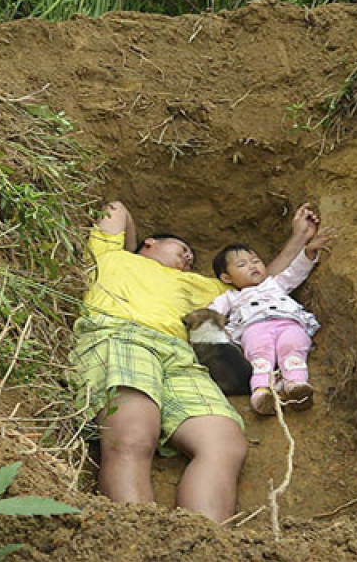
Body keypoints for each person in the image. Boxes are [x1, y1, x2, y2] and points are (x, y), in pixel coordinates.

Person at [72, 200, 318, 521]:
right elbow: (116, 209)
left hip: (181, 354)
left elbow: (259, 283)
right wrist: (132, 247)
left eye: (192, 255)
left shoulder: (201, 285)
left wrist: (299, 237)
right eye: (182, 248)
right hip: (121, 334)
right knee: (133, 434)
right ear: (150, 243)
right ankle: (134, 542)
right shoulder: (110, 256)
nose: (189, 257)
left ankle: (201, 547)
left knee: (224, 443)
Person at [208, 225, 335, 415]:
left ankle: (296, 385)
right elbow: (211, 314)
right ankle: (261, 392)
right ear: (226, 277)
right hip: (254, 328)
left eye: (256, 261)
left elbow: (296, 272)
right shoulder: (230, 297)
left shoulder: (275, 284)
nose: (252, 266)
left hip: (289, 323)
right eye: (242, 265)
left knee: (293, 348)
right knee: (260, 357)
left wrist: (308, 252)